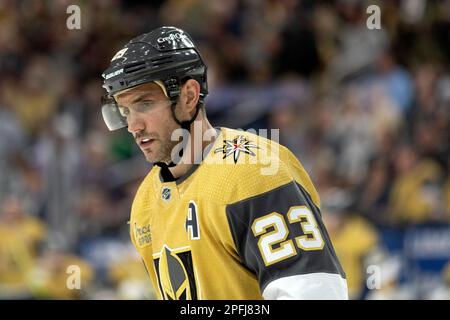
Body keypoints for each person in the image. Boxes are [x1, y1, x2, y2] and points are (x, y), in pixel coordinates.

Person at [101, 26, 348, 300]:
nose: (133, 126)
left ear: (189, 96)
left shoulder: (255, 169)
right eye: (125, 111)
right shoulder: (145, 202)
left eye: (144, 104)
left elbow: (317, 293)